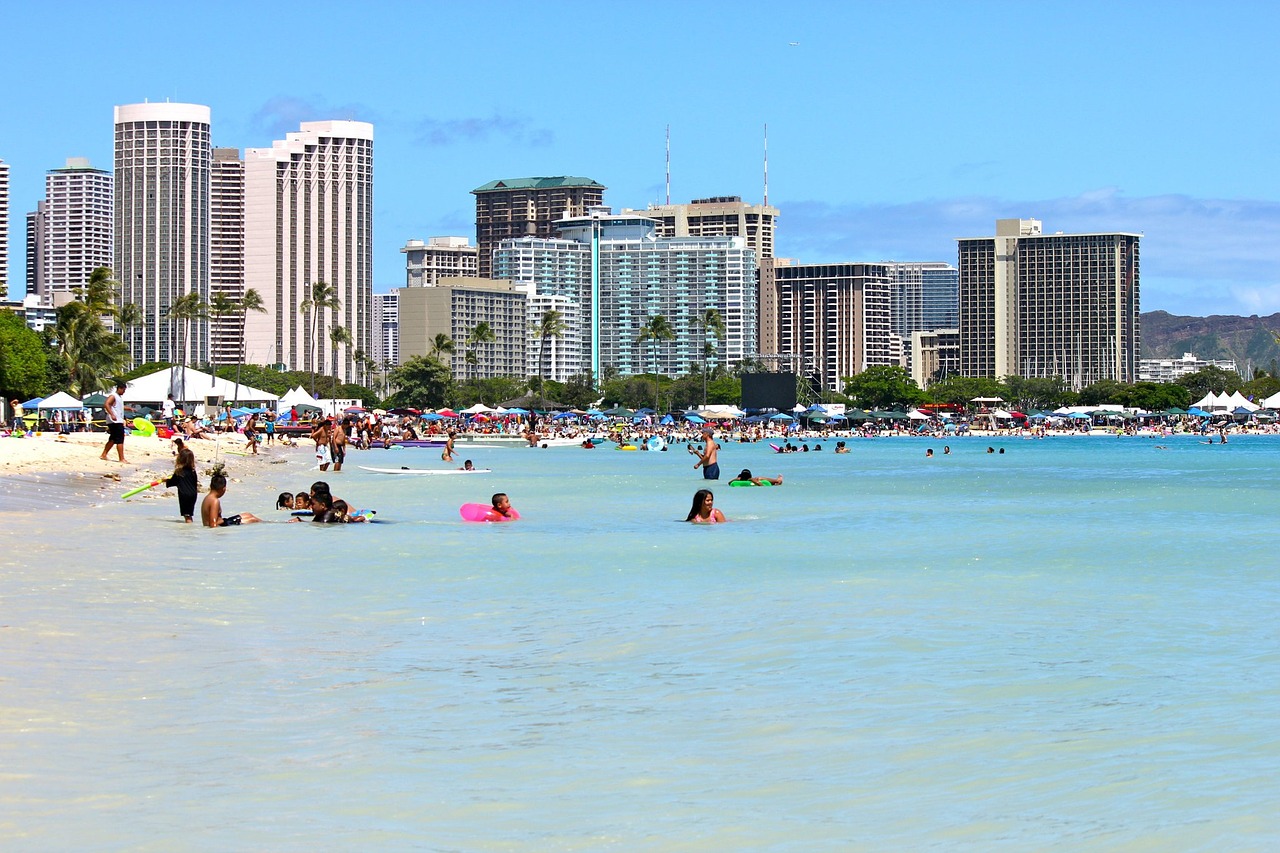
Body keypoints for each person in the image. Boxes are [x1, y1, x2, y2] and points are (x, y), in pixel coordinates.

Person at [166, 440, 199, 523]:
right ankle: (190, 527)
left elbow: (173, 482)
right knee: (189, 514)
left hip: (184, 495)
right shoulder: (193, 471)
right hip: (193, 494)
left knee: (186, 515)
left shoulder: (179, 471)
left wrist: (166, 481)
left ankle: (187, 530)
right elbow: (195, 483)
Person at [99, 381, 129, 463]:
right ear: (119, 388)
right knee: (120, 439)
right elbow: (106, 404)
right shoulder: (113, 396)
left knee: (113, 439)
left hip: (116, 420)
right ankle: (121, 458)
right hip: (115, 421)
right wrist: (112, 414)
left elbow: (119, 407)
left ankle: (104, 454)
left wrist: (129, 409)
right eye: (123, 390)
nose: (124, 392)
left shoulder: (119, 398)